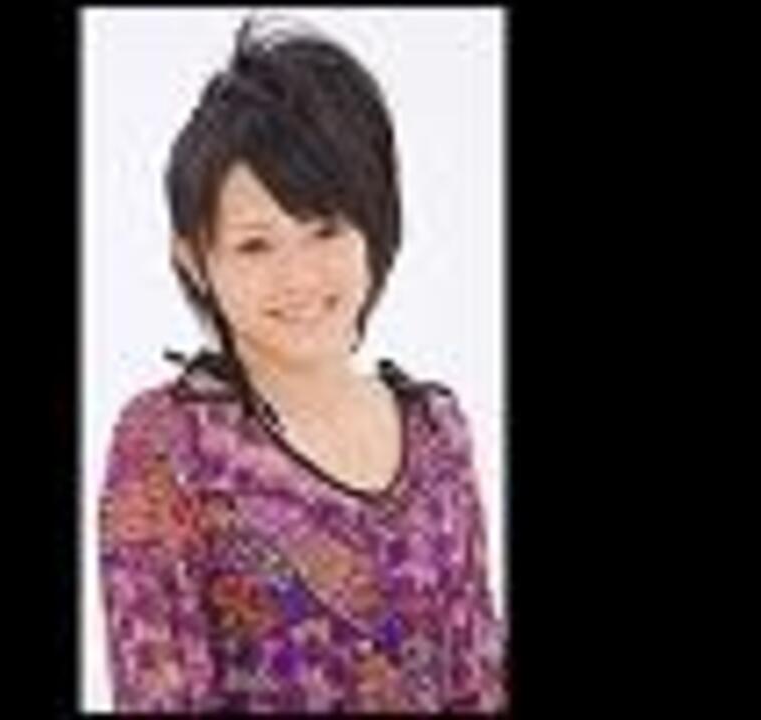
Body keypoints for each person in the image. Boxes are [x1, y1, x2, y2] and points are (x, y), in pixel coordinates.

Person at [99, 14, 507, 713]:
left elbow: (479, 677)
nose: (299, 277)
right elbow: (157, 691)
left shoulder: (438, 429)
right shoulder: (168, 443)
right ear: (193, 258)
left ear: (375, 224)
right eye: (255, 245)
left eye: (325, 230)